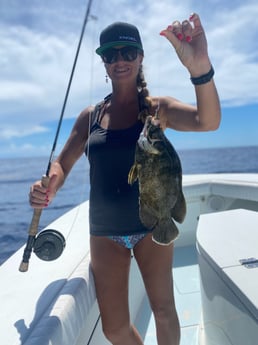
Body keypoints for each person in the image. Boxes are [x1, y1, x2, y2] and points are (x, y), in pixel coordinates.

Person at [29, 13, 221, 345]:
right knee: (114, 329)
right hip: (105, 232)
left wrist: (199, 68)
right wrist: (48, 185)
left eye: (128, 52)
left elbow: (208, 121)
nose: (120, 60)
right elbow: (62, 163)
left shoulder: (159, 109)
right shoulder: (90, 117)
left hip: (153, 226)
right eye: (110, 53)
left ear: (141, 57)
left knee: (163, 309)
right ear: (103, 61)